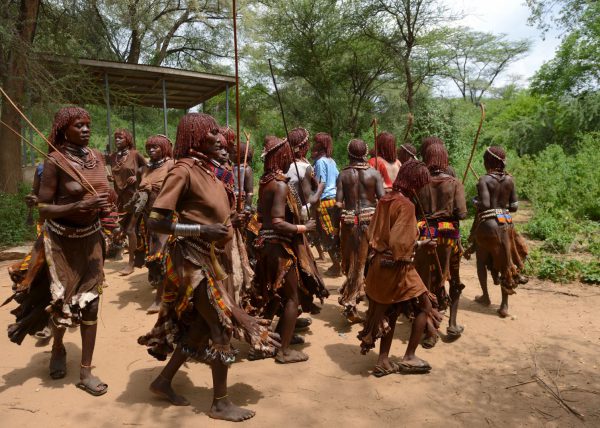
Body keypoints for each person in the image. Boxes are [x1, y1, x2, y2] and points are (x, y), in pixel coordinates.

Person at [137, 113, 278, 422]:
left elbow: (211, 216)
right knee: (221, 327)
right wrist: (200, 231)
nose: (220, 137)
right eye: (212, 132)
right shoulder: (183, 171)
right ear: (196, 137)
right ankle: (220, 403)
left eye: (219, 132)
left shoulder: (209, 171)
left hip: (215, 260)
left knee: (200, 327)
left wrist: (231, 222)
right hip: (193, 262)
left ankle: (162, 381)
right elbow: (156, 220)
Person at [5, 107, 111, 395]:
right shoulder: (54, 161)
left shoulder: (97, 157)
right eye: (79, 125)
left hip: (91, 242)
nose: (86, 130)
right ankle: (57, 347)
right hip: (61, 243)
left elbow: (105, 192)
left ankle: (86, 372)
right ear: (65, 129)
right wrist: (76, 207)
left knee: (91, 303)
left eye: (88, 125)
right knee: (62, 302)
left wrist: (107, 204)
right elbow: (43, 206)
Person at [358, 160, 442, 377]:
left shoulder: (385, 198)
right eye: (422, 184)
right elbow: (399, 244)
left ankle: (383, 361)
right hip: (397, 267)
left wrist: (421, 243)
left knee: (393, 311)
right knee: (424, 305)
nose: (423, 189)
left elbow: (379, 235)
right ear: (415, 183)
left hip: (378, 264)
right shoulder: (406, 205)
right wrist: (420, 245)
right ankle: (409, 357)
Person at [249, 136, 328, 363]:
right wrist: (303, 227)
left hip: (266, 246)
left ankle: (261, 343)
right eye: (287, 155)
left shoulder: (265, 180)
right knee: (292, 298)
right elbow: (277, 222)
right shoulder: (280, 185)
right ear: (282, 156)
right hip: (280, 248)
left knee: (275, 296)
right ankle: (283, 351)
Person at [414, 144, 467, 344]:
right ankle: (452, 324)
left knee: (426, 283)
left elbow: (415, 210)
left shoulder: (418, 183)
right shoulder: (454, 183)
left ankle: (429, 332)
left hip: (426, 235)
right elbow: (461, 214)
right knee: (453, 279)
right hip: (449, 238)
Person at [335, 139, 384, 323]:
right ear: (364, 153)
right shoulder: (374, 174)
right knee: (370, 264)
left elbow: (338, 203)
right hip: (370, 224)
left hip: (349, 223)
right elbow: (383, 199)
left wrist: (335, 227)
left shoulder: (343, 175)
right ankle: (370, 305)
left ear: (349, 154)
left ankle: (352, 303)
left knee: (353, 263)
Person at [125, 135, 175, 314]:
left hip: (166, 218)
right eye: (149, 147)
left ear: (164, 148)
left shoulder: (171, 165)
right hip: (148, 219)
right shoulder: (143, 170)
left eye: (156, 147)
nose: (151, 150)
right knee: (152, 255)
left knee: (159, 256)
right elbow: (139, 194)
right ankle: (159, 282)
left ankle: (159, 299)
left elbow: (176, 190)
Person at [473, 146, 523, 318]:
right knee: (505, 263)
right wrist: (501, 205)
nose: (484, 163)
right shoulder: (510, 180)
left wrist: (476, 201)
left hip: (488, 225)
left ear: (490, 161)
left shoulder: (484, 180)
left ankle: (486, 297)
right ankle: (504, 305)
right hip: (506, 224)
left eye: (485, 160)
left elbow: (485, 205)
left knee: (481, 260)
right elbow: (514, 207)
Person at [106, 128, 146, 276]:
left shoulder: (135, 155)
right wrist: (112, 179)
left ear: (127, 139)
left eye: (120, 138)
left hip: (135, 198)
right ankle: (137, 257)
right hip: (120, 200)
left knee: (131, 230)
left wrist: (137, 176)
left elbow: (147, 167)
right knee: (124, 230)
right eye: (116, 138)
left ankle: (131, 264)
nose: (117, 140)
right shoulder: (113, 157)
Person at [311, 132, 341, 277]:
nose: (313, 144)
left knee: (327, 235)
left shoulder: (320, 162)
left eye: (315, 142)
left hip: (324, 201)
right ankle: (338, 263)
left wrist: (314, 199)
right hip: (334, 200)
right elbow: (337, 179)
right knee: (335, 233)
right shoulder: (332, 161)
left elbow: (320, 183)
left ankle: (336, 266)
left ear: (321, 145)